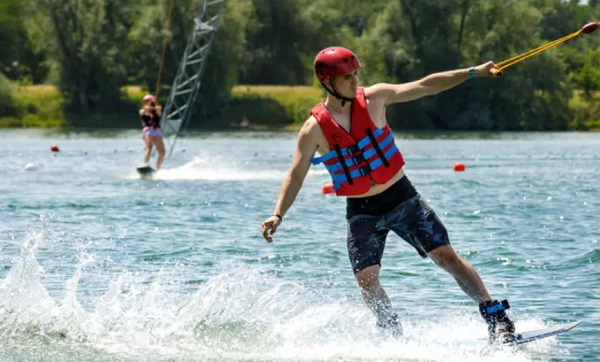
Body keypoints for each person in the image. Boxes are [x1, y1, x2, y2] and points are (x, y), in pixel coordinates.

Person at [261, 47, 516, 343]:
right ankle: (391, 331)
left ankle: (495, 315)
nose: (355, 81)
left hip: (402, 197)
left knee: (446, 257)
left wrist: (473, 72)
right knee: (366, 280)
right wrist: (278, 213)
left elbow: (426, 85)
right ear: (327, 81)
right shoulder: (313, 130)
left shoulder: (374, 99)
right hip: (362, 211)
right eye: (347, 77)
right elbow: (295, 173)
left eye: (356, 73)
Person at [139, 94, 165, 170]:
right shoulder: (142, 110)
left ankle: (157, 168)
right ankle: (145, 164)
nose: (148, 102)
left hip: (157, 130)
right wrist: (149, 108)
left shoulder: (157, 109)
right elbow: (144, 112)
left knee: (162, 152)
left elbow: (159, 114)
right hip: (148, 130)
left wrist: (156, 108)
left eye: (149, 101)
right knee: (149, 147)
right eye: (146, 101)